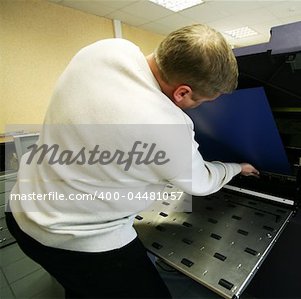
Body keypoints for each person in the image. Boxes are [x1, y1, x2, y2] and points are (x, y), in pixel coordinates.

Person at [6, 24, 259, 298]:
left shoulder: (105, 49)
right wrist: (237, 167)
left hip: (21, 210)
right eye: (202, 102)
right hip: (76, 239)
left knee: (80, 287)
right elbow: (201, 182)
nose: (200, 108)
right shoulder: (166, 125)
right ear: (182, 92)